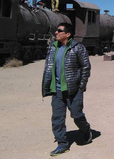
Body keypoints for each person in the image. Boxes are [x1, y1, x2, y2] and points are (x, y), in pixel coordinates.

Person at [42, 23, 93, 156]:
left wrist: (81, 86)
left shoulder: (78, 48)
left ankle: (86, 129)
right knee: (57, 118)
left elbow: (86, 67)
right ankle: (62, 144)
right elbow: (48, 67)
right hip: (57, 90)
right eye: (56, 30)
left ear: (68, 34)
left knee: (76, 115)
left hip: (73, 89)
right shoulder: (52, 47)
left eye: (59, 31)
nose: (56, 33)